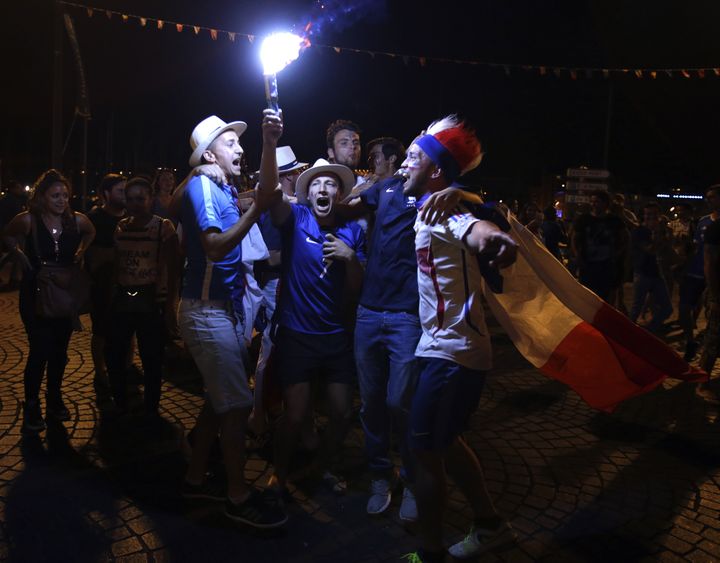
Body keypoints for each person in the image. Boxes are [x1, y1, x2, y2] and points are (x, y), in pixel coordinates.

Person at [397, 116, 518, 563]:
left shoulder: (442, 210)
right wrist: (471, 196)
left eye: (412, 157)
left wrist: (496, 240)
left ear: (433, 171)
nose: (401, 165)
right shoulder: (435, 203)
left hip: (453, 353)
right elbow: (475, 213)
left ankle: (430, 553)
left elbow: (473, 228)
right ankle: (489, 525)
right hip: (450, 350)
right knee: (444, 443)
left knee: (423, 450)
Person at [178, 115, 286, 528]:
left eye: (241, 144)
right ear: (208, 154)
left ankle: (194, 477)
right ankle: (237, 496)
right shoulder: (204, 184)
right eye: (230, 143)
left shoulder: (219, 185)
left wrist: (268, 142)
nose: (239, 150)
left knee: (218, 400)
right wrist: (256, 207)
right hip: (205, 312)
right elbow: (214, 247)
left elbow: (266, 190)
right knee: (238, 403)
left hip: (224, 310)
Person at [258, 110, 366, 499]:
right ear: (309, 193)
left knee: (341, 414)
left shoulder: (352, 230)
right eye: (317, 183)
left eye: (330, 184)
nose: (323, 189)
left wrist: (350, 258)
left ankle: (323, 468)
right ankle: (280, 475)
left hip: (336, 338)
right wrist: (269, 143)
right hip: (299, 337)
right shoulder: (297, 217)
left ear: (339, 193)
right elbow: (269, 194)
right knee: (296, 414)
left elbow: (355, 291)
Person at [1, 169, 95, 435]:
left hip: (64, 295)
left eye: (65, 195)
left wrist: (81, 251)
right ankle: (32, 405)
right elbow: (7, 234)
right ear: (42, 197)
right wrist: (19, 255)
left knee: (60, 352)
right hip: (34, 294)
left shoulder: (76, 221)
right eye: (55, 195)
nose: (61, 200)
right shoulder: (28, 220)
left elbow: (91, 232)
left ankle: (54, 399)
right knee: (39, 350)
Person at [105, 176, 178, 416]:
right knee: (115, 353)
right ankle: (120, 400)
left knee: (151, 356)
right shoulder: (122, 227)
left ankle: (151, 406)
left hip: (151, 298)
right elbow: (117, 263)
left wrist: (169, 305)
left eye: (141, 198)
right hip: (124, 297)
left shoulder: (162, 227)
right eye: (131, 198)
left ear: (150, 199)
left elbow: (172, 266)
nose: (136, 203)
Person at [249, 145, 307, 436]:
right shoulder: (276, 209)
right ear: (289, 175)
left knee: (274, 352)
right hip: (275, 286)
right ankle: (259, 416)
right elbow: (269, 256)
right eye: (297, 172)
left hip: (279, 285)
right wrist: (306, 252)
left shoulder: (281, 204)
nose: (300, 175)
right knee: (269, 353)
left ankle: (270, 411)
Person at [85, 173, 126, 384]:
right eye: (120, 191)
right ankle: (100, 372)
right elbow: (90, 255)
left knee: (128, 329)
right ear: (106, 194)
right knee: (101, 330)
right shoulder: (94, 219)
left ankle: (125, 368)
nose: (125, 195)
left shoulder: (132, 217)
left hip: (128, 284)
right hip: (102, 286)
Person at [679, 188, 719, 361]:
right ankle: (690, 341)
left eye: (712, 197)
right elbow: (695, 248)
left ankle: (707, 355)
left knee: (711, 315)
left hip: (715, 276)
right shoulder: (703, 221)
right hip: (695, 272)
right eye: (707, 197)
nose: (708, 201)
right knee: (683, 310)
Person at [572, 189, 628, 302]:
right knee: (588, 297)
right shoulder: (584, 219)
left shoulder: (614, 220)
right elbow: (574, 238)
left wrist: (618, 254)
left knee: (607, 298)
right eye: (592, 201)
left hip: (607, 266)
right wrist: (577, 254)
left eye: (597, 202)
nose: (593, 204)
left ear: (605, 203)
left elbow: (625, 238)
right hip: (588, 266)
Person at [629, 203, 673, 333]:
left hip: (657, 274)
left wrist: (666, 236)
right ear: (643, 215)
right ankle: (629, 334)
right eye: (648, 214)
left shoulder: (663, 231)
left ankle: (649, 330)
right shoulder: (639, 232)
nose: (651, 217)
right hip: (642, 273)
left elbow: (668, 249)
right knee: (636, 308)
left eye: (654, 214)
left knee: (667, 308)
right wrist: (657, 234)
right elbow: (651, 249)